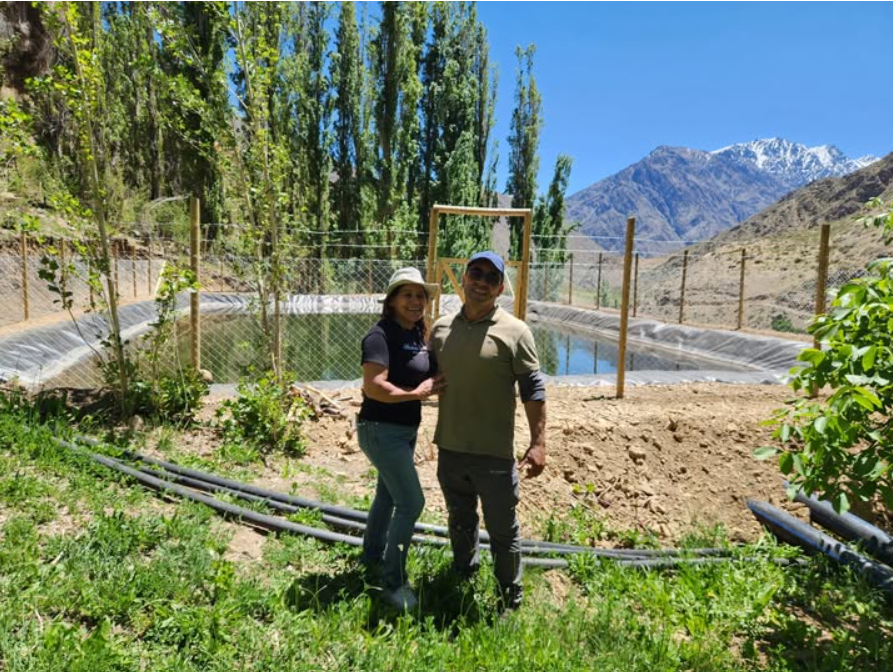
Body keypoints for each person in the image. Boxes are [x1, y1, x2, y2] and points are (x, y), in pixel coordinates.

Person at [430, 251, 546, 611]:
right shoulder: (440, 328)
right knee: (459, 520)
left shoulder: (516, 332)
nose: (481, 282)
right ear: (463, 278)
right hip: (450, 448)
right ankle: (463, 576)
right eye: (475, 273)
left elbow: (533, 390)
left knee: (502, 531)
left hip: (494, 454)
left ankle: (508, 599)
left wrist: (538, 443)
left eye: (490, 278)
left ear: (499, 288)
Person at [357, 267, 444, 611]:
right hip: (380, 429)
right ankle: (393, 584)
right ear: (391, 300)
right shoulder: (379, 336)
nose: (415, 301)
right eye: (407, 294)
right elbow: (373, 386)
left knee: (387, 496)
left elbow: (431, 371)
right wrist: (416, 394)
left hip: (404, 430)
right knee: (411, 502)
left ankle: (371, 558)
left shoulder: (418, 334)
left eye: (420, 295)